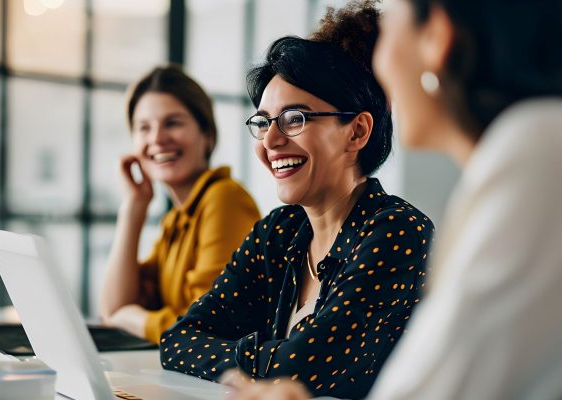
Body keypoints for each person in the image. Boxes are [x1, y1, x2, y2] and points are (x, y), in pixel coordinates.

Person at [225, 0, 562, 399]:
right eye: (264, 122)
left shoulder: (534, 158)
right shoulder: (518, 157)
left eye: (385, 38)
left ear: (436, 36)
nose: (381, 74)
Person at [159, 3, 434, 399]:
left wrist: (246, 357)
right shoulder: (279, 231)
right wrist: (270, 360)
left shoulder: (397, 232)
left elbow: (300, 372)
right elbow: (179, 340)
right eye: (263, 122)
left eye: (294, 119)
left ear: (356, 132)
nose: (270, 141)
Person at [99, 65, 261, 344]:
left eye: (172, 123)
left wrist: (135, 318)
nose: (157, 139)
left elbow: (207, 325)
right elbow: (115, 305)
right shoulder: (178, 218)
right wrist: (133, 208)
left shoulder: (224, 200)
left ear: (207, 134)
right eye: (144, 128)